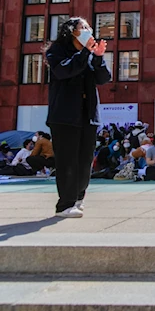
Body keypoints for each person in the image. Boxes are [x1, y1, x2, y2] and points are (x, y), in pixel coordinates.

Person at [44, 17, 111, 218]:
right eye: (83, 27)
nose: (88, 31)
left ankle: (78, 198)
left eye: (89, 27)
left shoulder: (89, 55)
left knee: (85, 160)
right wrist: (85, 53)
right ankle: (64, 204)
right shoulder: (56, 52)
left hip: (87, 115)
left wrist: (98, 57)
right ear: (72, 31)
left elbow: (103, 78)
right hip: (64, 115)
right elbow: (64, 70)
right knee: (67, 160)